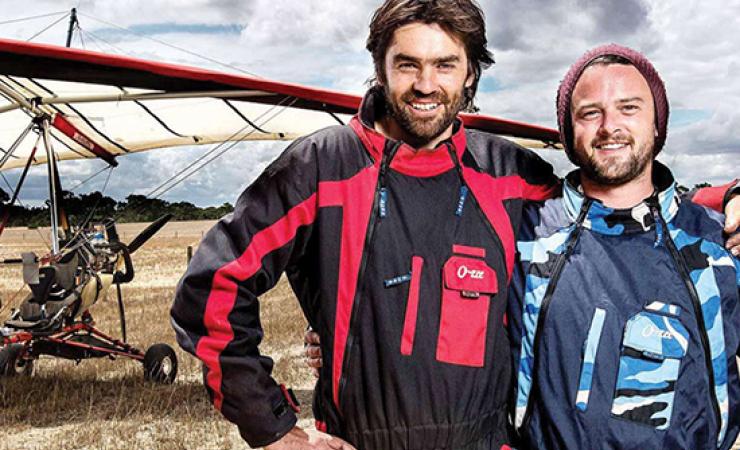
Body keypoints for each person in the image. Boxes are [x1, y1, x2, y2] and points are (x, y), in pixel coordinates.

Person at [173, 1, 738, 448]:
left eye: (445, 64)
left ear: (471, 76)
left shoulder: (511, 173)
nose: (426, 84)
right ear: (381, 69)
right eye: (408, 64)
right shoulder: (321, 167)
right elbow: (213, 289)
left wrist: (722, 200)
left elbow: (609, 196)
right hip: (360, 439)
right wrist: (272, 428)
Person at [510, 44, 740, 449]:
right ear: (569, 132)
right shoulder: (524, 237)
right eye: (590, 112)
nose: (609, 126)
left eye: (628, 108)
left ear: (657, 124)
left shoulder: (719, 246)